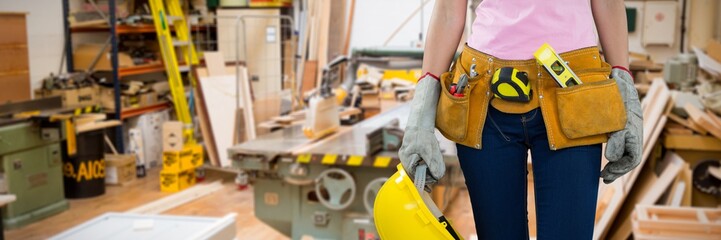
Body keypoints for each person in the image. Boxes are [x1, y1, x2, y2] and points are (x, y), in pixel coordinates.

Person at [398, 0, 643, 239]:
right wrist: (423, 105)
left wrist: (625, 87)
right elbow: (449, 10)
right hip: (485, 92)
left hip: (573, 94)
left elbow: (609, 3)